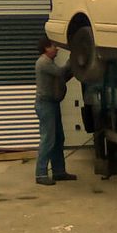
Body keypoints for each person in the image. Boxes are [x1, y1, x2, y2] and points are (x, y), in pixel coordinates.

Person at [34, 36, 77, 185]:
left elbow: (62, 77)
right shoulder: (44, 63)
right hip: (46, 105)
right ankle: (40, 174)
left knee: (59, 138)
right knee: (48, 139)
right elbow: (61, 73)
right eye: (54, 46)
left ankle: (59, 172)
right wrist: (74, 57)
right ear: (46, 48)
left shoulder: (49, 63)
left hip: (52, 103)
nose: (57, 48)